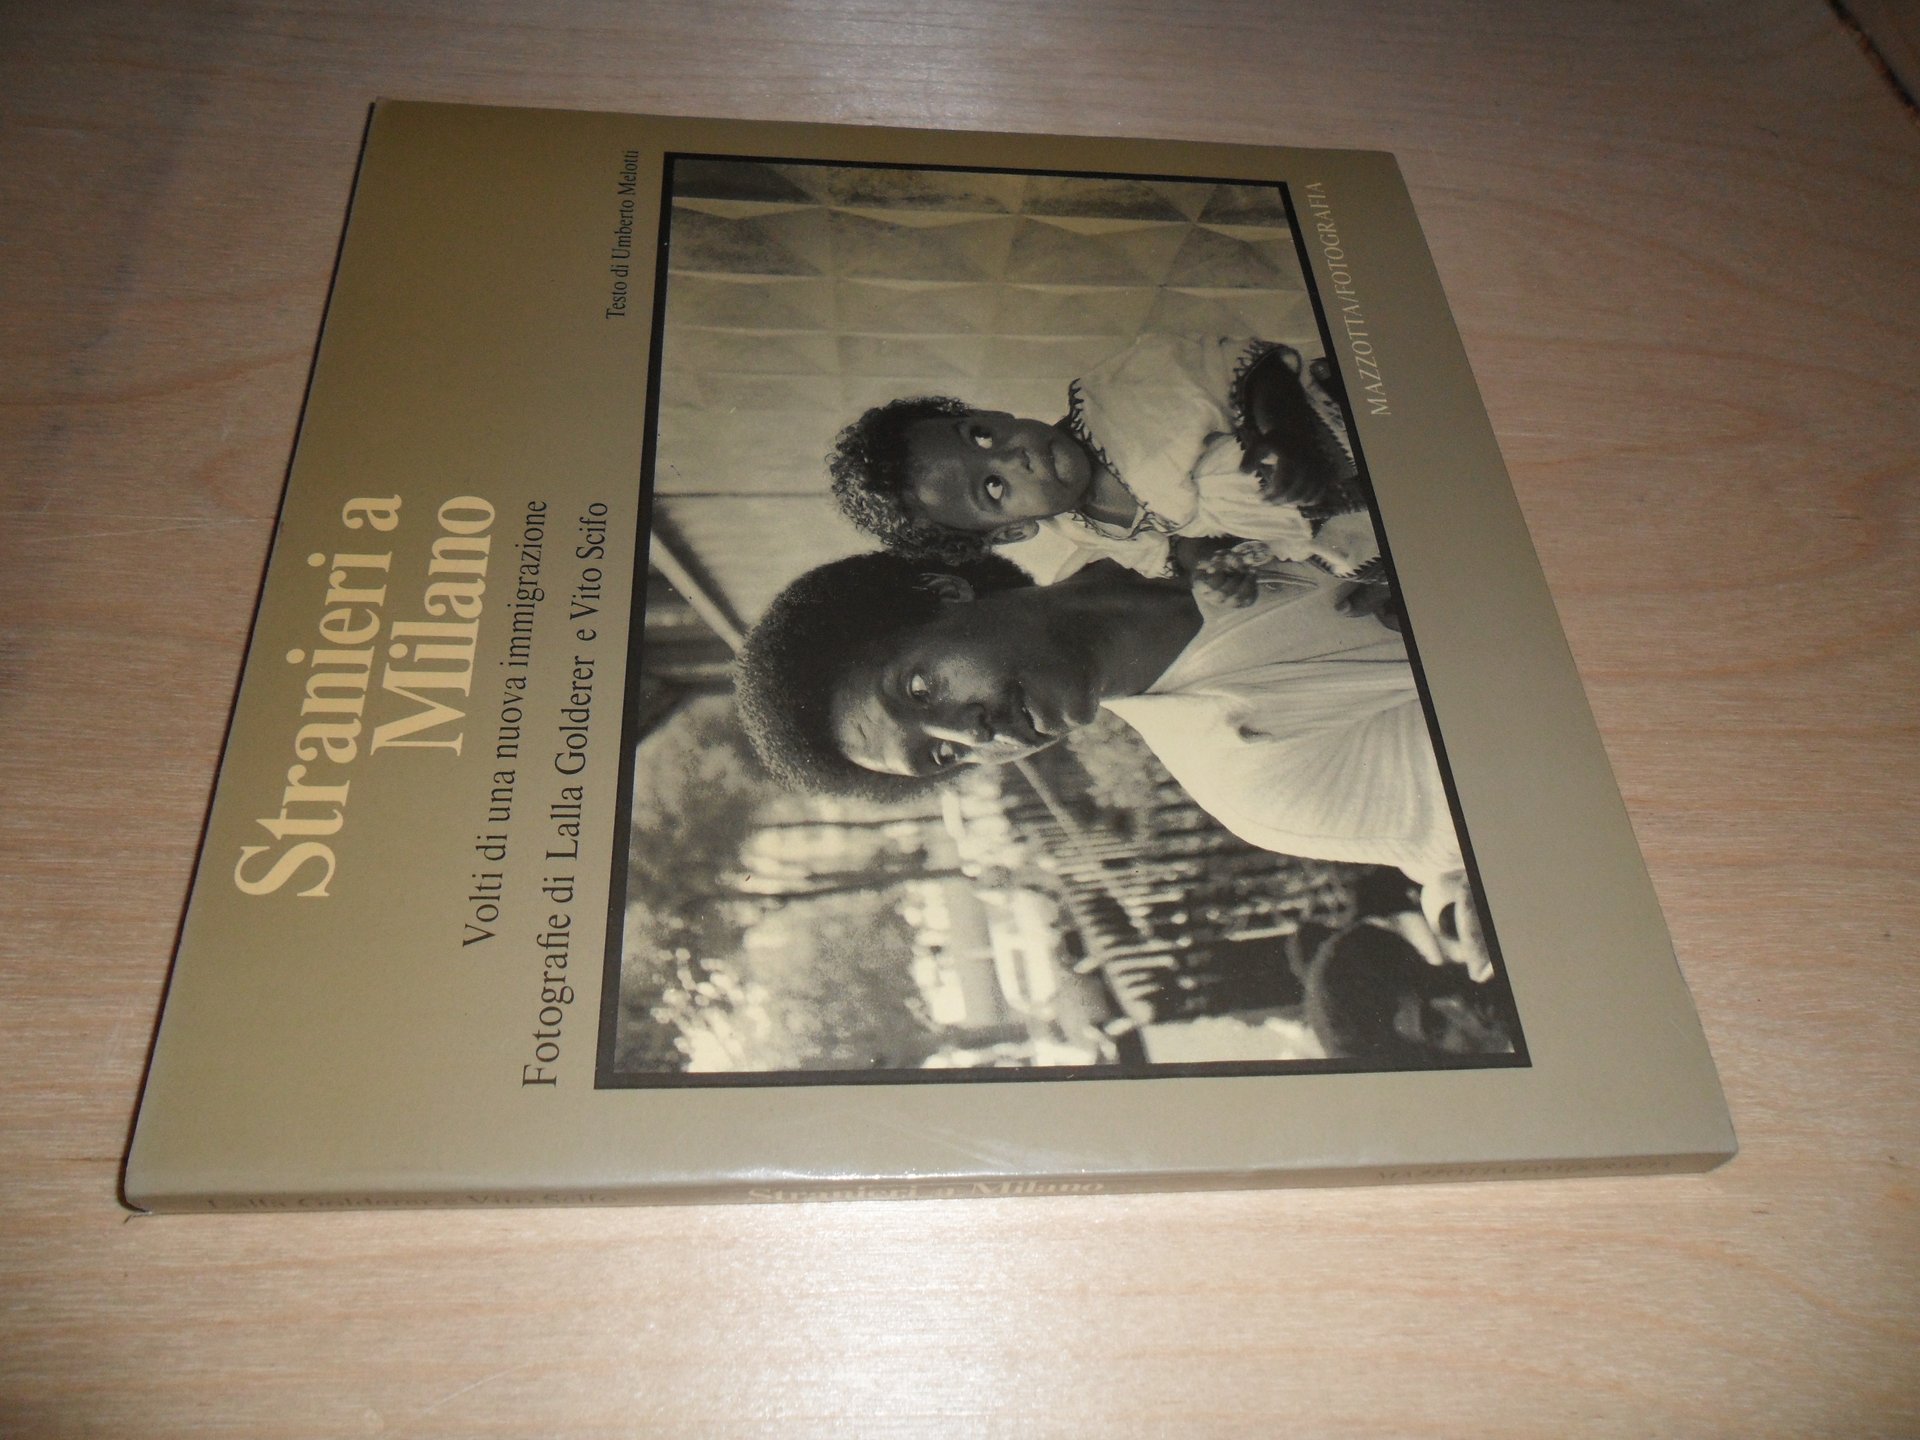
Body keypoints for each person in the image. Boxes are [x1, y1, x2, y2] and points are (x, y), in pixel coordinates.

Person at [733, 548, 1462, 887]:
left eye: (920, 689)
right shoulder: (1255, 778)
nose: (974, 734)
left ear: (944, 592)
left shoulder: (1159, 503)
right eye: (942, 757)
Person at [826, 336, 1382, 591]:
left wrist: (1281, 431)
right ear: (1014, 531)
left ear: (990, 413)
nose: (1013, 456)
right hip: (1333, 530)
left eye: (981, 436)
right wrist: (1214, 569)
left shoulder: (1115, 394)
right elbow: (1176, 550)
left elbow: (1249, 367)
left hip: (1339, 432)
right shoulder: (1088, 533)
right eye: (994, 487)